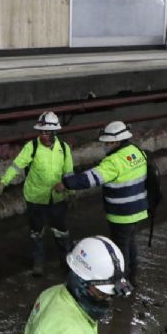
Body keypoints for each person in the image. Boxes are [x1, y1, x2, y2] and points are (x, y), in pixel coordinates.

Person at [59, 121, 148, 285]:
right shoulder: (136, 151)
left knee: (121, 248)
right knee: (130, 243)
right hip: (139, 209)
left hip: (122, 214)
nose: (105, 145)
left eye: (108, 142)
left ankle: (122, 280)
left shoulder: (113, 161)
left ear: (117, 141)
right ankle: (133, 276)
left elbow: (90, 178)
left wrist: (65, 183)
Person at [0, 112, 74, 276]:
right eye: (41, 132)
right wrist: (3, 182)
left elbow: (68, 173)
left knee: (61, 232)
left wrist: (71, 192)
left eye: (46, 132)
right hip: (35, 199)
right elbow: (17, 166)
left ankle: (66, 261)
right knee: (36, 233)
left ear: (54, 133)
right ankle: (38, 263)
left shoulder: (64, 149)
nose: (42, 135)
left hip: (57, 199)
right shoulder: (31, 147)